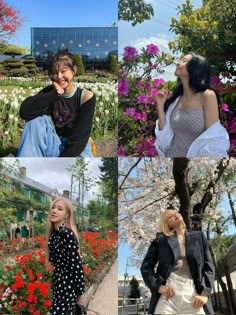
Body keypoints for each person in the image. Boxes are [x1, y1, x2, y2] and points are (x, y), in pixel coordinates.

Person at [17, 49, 96, 157]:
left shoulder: (85, 97)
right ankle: (27, 166)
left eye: (63, 71)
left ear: (74, 70)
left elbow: (79, 140)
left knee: (82, 171)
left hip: (79, 148)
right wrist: (55, 94)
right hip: (55, 143)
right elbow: (25, 112)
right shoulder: (51, 92)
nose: (59, 76)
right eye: (54, 72)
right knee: (35, 120)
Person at [154, 53, 230, 157]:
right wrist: (160, 105)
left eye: (184, 61)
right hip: (171, 162)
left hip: (195, 167)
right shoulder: (176, 98)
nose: (178, 63)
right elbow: (165, 134)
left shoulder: (207, 96)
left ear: (196, 67)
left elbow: (213, 140)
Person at [140, 209, 215, 315]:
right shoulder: (161, 240)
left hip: (193, 293)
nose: (175, 215)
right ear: (168, 225)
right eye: (170, 216)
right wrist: (158, 286)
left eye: (175, 213)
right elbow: (146, 267)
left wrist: (204, 293)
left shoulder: (199, 237)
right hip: (168, 295)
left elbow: (209, 266)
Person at [46, 197, 85, 315]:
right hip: (58, 285)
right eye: (53, 207)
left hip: (67, 286)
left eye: (59, 209)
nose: (54, 211)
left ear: (66, 215)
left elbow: (76, 266)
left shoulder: (66, 234)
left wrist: (81, 292)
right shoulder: (54, 236)